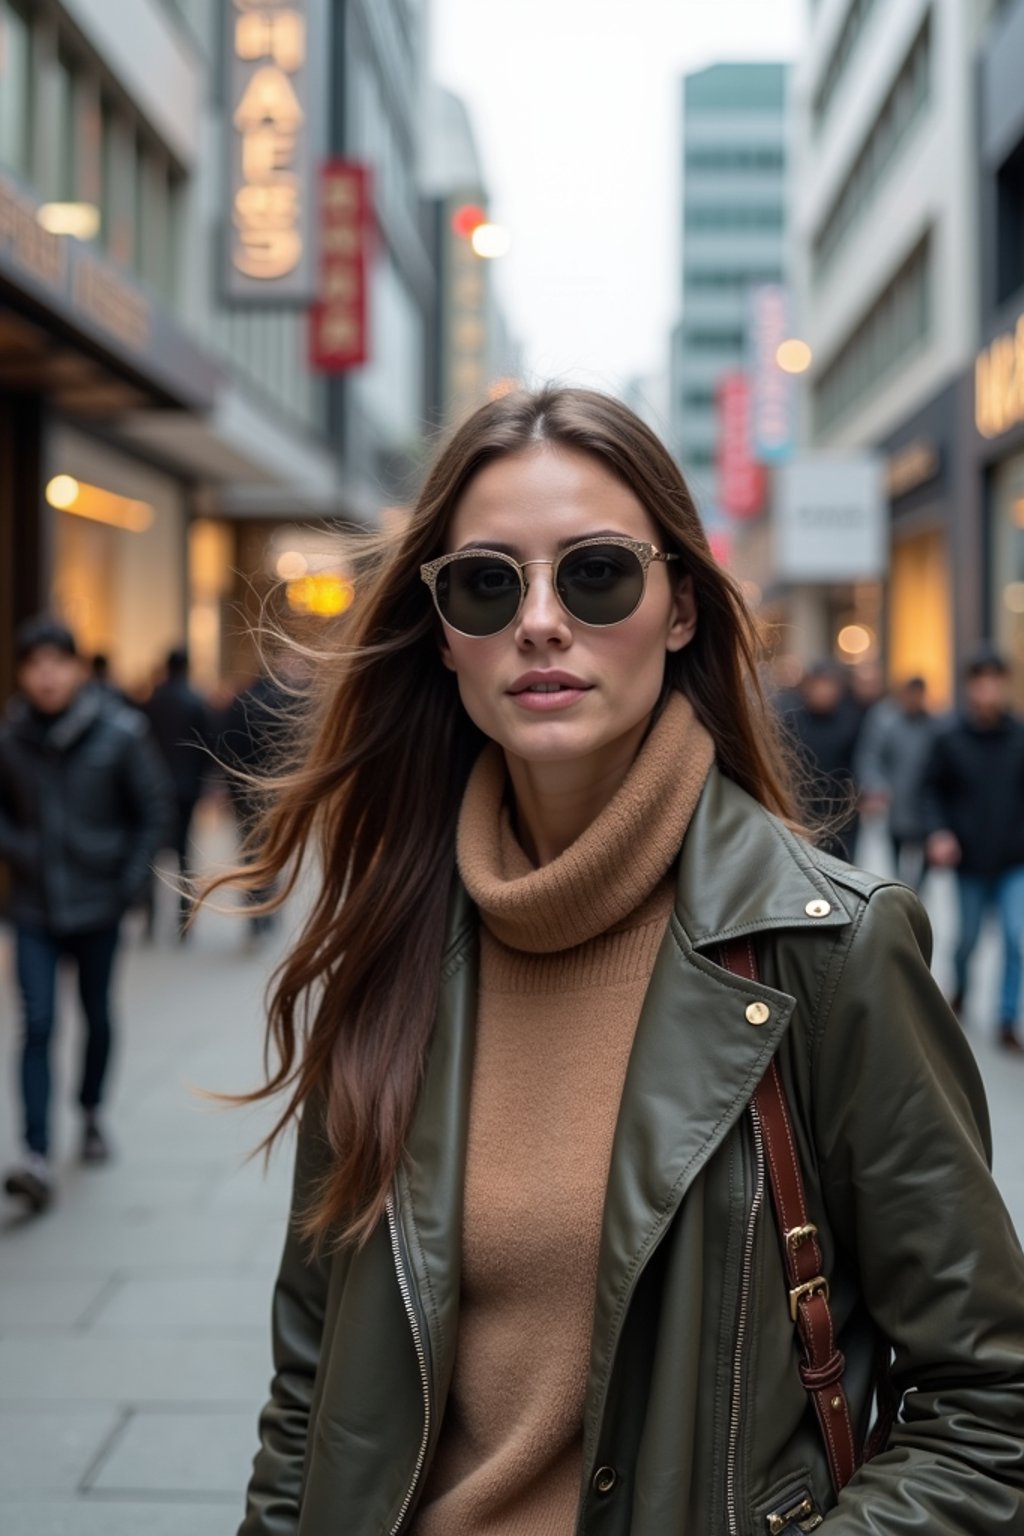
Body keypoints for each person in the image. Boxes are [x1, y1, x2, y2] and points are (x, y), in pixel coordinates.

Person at [217, 391, 1024, 1536]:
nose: (540, 622)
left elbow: (991, 1405)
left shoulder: (829, 951)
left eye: (596, 574)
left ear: (681, 607)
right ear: (444, 633)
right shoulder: (388, 938)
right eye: (487, 584)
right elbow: (311, 1388)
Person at [0, 616, 171, 1211]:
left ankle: (91, 1110)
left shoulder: (119, 733)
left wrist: (127, 889)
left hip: (99, 904)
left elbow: (152, 814)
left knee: (96, 1016)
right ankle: (35, 1154)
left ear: (76, 668)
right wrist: (19, 850)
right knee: (38, 1023)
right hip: (33, 906)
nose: (45, 676)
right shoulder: (10, 738)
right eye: (33, 665)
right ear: (22, 674)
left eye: (56, 663)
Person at [923, 646, 1024, 1051]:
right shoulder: (949, 737)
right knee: (967, 939)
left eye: (995, 680)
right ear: (969, 686)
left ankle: (1006, 1018)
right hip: (968, 859)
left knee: (1017, 938)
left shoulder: (1019, 736)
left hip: (1015, 859)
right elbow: (930, 791)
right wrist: (939, 832)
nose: (988, 689)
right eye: (980, 681)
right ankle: (961, 988)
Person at [142, 646, 213, 938]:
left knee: (152, 853)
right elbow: (207, 747)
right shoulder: (195, 702)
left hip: (155, 788)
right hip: (187, 788)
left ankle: (150, 919)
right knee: (185, 854)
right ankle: (184, 918)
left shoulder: (151, 703)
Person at [855, 675, 937, 888]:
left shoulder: (932, 726)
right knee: (896, 855)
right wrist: (876, 787)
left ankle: (915, 894)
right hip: (895, 802)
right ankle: (902, 891)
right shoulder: (885, 720)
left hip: (923, 805)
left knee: (922, 859)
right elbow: (870, 756)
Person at [778, 660, 863, 860]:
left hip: (843, 808)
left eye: (830, 685)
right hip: (803, 806)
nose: (824, 692)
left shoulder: (851, 720)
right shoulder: (792, 720)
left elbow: (859, 761)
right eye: (819, 685)